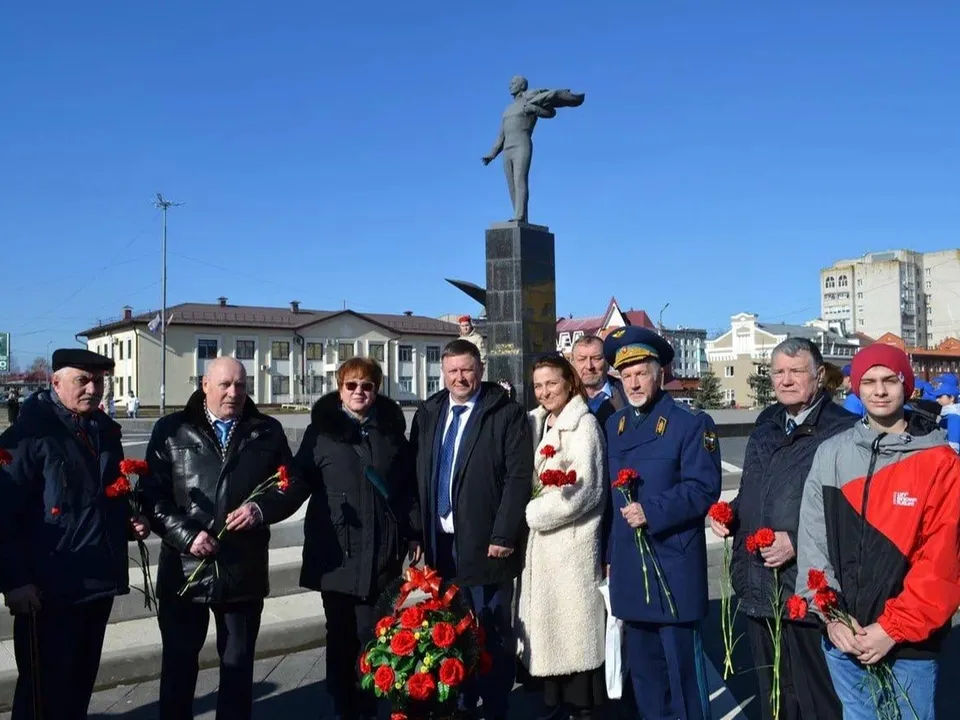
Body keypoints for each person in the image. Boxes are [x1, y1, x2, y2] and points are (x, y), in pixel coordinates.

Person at [797, 344, 960, 719]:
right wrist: (831, 614)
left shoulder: (941, 462)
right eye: (869, 381)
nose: (880, 390)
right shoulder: (831, 453)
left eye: (890, 380)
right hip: (845, 635)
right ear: (856, 387)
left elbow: (942, 562)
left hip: (909, 644)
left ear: (908, 385)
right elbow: (813, 541)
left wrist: (892, 628)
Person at [142, 356, 302, 720]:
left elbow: (290, 485)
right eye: (225, 385)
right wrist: (186, 536)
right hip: (185, 571)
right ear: (205, 385)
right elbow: (151, 495)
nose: (234, 393)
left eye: (241, 385)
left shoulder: (266, 431)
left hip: (241, 569)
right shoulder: (172, 430)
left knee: (238, 667)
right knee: (179, 667)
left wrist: (260, 509)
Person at [0, 349, 150, 720]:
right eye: (82, 380)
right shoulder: (29, 435)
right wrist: (14, 581)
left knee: (79, 686)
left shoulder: (105, 431)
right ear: (55, 382)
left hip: (96, 582)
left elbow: (103, 495)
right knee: (41, 695)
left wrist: (128, 520)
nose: (93, 389)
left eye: (99, 381)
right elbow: (4, 514)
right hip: (47, 590)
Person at [710, 338, 856, 720]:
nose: (786, 380)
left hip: (808, 592)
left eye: (796, 371)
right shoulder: (766, 425)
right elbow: (752, 493)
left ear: (819, 376)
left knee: (819, 701)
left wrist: (796, 541)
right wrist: (730, 515)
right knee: (774, 698)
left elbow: (850, 515)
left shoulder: (842, 430)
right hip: (759, 586)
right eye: (778, 372)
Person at [290, 357, 421, 720]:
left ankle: (368, 704)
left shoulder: (391, 433)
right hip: (337, 551)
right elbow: (298, 479)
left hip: (381, 551)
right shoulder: (320, 434)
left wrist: (414, 532)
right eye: (351, 385)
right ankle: (342, 705)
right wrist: (261, 506)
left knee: (372, 632)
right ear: (339, 388)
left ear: (376, 390)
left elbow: (406, 487)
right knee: (339, 634)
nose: (359, 392)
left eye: (367, 386)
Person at [409, 338, 533, 720]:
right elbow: (415, 475)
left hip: (486, 543)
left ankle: (496, 705)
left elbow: (517, 477)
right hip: (441, 543)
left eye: (467, 369)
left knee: (491, 631)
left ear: (481, 369)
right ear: (443, 372)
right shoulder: (429, 413)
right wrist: (416, 533)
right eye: (452, 370)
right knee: (453, 627)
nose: (460, 377)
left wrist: (503, 534)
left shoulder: (505, 413)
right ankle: (461, 700)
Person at [603, 327, 722, 720]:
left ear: (659, 374)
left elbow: (703, 488)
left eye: (641, 373)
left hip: (673, 565)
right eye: (627, 375)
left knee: (683, 677)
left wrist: (652, 511)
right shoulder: (615, 426)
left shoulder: (691, 423)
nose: (634, 383)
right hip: (630, 568)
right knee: (646, 679)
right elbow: (608, 501)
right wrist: (608, 557)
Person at [517, 355, 607, 720]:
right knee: (551, 633)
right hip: (543, 549)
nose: (544, 392)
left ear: (569, 382)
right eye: (538, 385)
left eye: (551, 383)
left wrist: (532, 512)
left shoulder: (583, 425)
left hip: (570, 546)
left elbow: (585, 490)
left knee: (573, 633)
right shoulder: (537, 422)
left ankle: (581, 708)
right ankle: (554, 704)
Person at [570, 334, 627, 427]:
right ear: (572, 362)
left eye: (596, 358)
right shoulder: (561, 396)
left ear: (607, 362)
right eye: (582, 359)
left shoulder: (627, 392)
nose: (589, 366)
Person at [933, 374, 960, 452]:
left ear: (951, 398)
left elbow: (954, 450)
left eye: (940, 396)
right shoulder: (946, 415)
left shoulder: (954, 418)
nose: (937, 400)